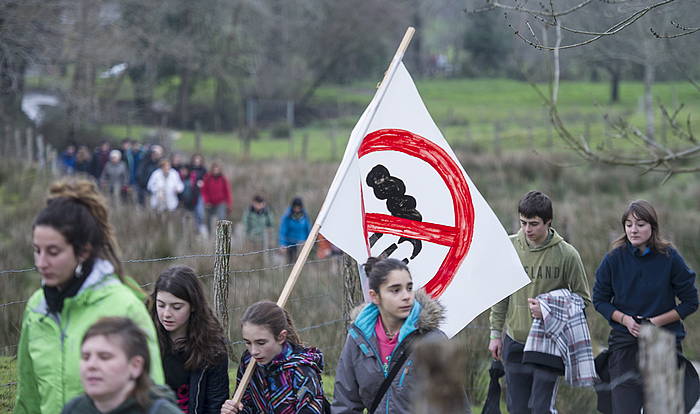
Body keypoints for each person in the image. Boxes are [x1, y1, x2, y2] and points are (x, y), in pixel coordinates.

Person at [14, 178, 164, 414]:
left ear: (83, 251)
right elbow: (28, 399)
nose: (41, 263)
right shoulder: (36, 308)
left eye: (53, 252)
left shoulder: (125, 307)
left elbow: (154, 401)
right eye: (37, 250)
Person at [488, 190, 591, 414]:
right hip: (514, 341)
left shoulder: (567, 255)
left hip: (549, 344)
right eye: (523, 223)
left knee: (541, 409)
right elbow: (500, 295)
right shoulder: (510, 248)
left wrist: (548, 310)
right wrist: (495, 334)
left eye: (533, 224)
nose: (527, 229)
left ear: (548, 222)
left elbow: (583, 301)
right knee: (517, 409)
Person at [592, 200, 698, 414]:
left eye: (640, 224)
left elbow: (691, 302)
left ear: (652, 226)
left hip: (662, 345)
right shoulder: (613, 259)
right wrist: (625, 319)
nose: (633, 229)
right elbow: (599, 299)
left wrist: (654, 322)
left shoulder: (670, 258)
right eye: (629, 224)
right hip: (624, 346)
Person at [332, 257, 465, 414]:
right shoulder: (358, 339)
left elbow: (453, 407)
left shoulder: (433, 340)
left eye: (409, 288)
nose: (406, 296)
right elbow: (345, 404)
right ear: (374, 296)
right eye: (395, 290)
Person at [220, 301, 328, 414]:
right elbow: (247, 405)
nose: (253, 351)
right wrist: (235, 411)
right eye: (248, 342)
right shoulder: (248, 361)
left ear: (281, 337)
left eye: (261, 343)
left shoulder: (302, 371)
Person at [150, 266, 229, 414]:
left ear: (193, 306)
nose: (166, 314)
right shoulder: (144, 338)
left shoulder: (213, 348)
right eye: (161, 305)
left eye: (176, 307)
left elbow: (215, 405)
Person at [61, 317, 181, 414]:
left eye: (105, 357)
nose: (91, 365)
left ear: (135, 366)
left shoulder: (162, 411)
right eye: (86, 357)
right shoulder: (73, 409)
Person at [201, 162, 232, 232]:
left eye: (217, 169)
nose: (215, 171)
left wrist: (229, 205)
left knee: (221, 218)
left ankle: (222, 235)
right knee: (208, 219)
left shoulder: (223, 179)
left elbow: (228, 192)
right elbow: (204, 191)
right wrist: (206, 201)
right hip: (210, 203)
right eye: (214, 169)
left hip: (221, 202)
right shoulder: (207, 178)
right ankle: (209, 235)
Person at [278, 197, 310, 263]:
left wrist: (308, 241)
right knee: (291, 262)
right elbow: (282, 231)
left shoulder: (305, 216)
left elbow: (308, 229)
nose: (297, 209)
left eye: (298, 207)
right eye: (295, 207)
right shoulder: (287, 216)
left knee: (302, 262)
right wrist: (282, 244)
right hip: (290, 244)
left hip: (302, 244)